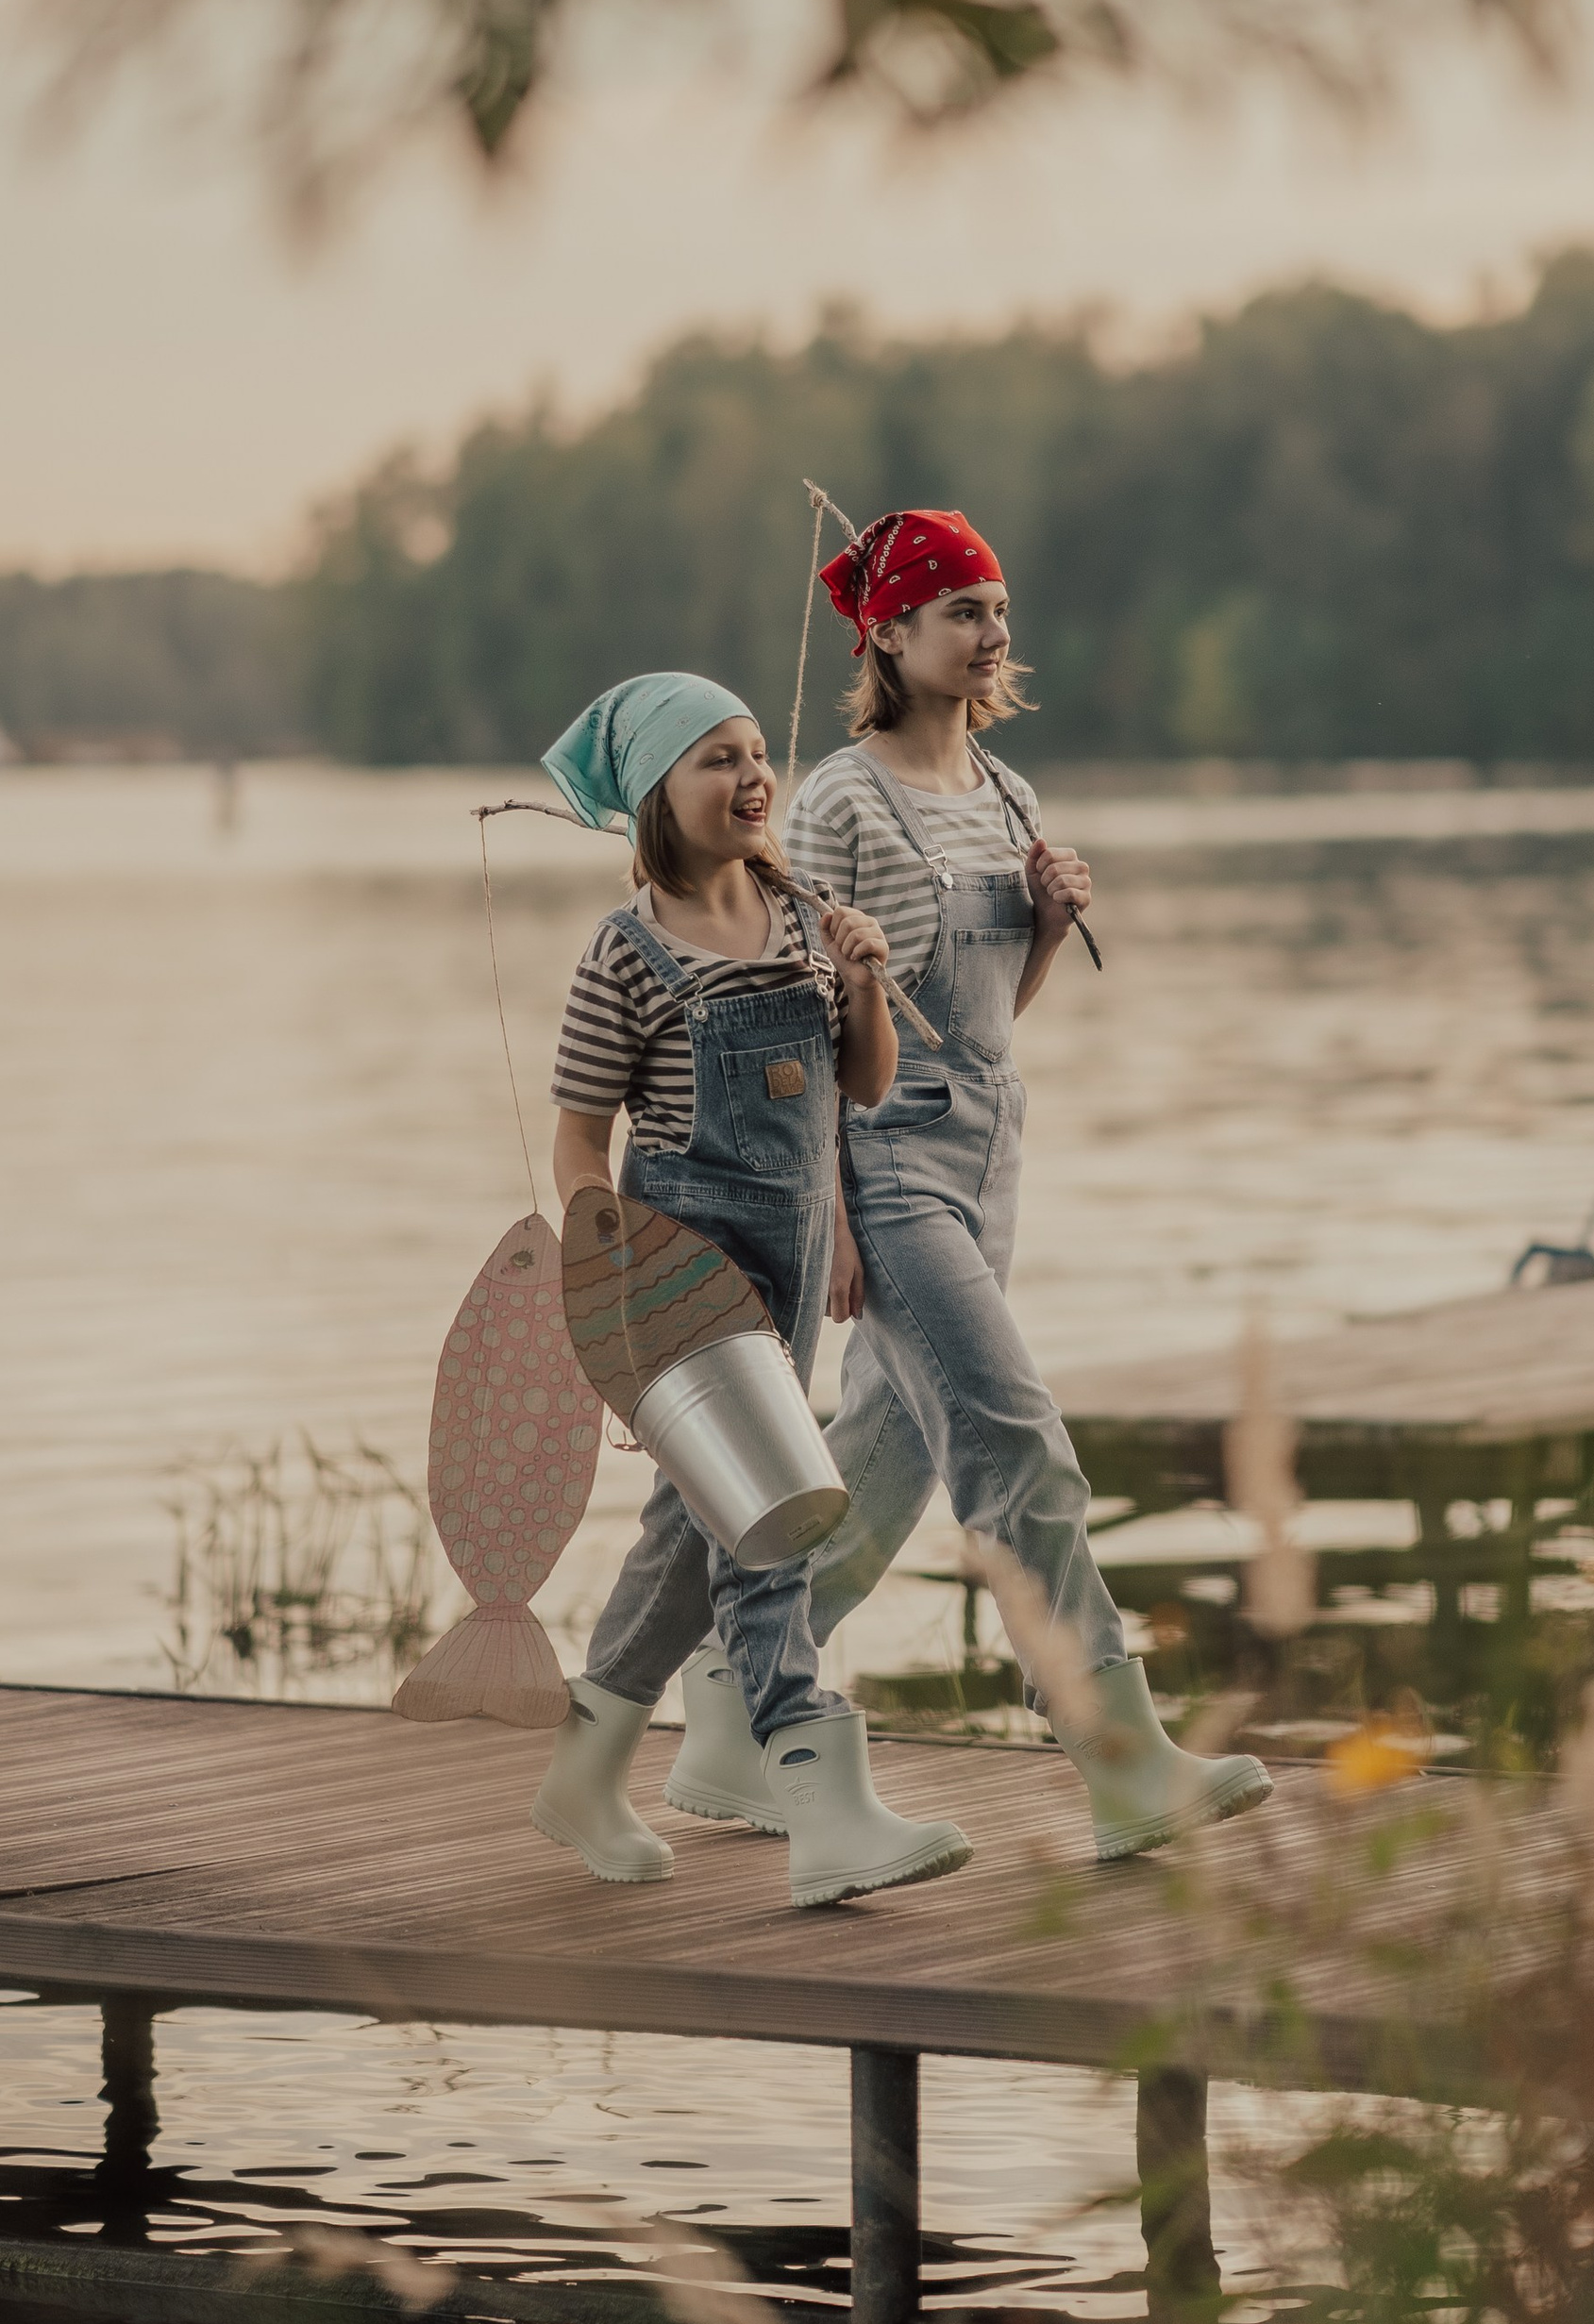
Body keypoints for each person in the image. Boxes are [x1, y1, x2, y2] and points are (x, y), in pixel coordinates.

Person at [663, 513, 1273, 1862]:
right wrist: (820, 1204)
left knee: (885, 1466)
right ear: (887, 633)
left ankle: (724, 1697)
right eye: (962, 611)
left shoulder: (1008, 792)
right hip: (881, 1155)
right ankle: (1120, 1759)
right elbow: (792, 1014)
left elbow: (995, 1013)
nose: (992, 633)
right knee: (1013, 1439)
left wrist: (1048, 924)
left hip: (991, 1146)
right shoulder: (835, 800)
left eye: (999, 608)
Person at [530, 670, 973, 1910]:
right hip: (683, 1270)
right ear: (658, 798)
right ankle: (821, 1788)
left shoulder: (799, 915)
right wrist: (609, 1254)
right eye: (713, 759)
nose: (748, 775)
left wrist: (869, 979)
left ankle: (586, 1766)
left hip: (790, 1249)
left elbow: (866, 1084)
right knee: (777, 1509)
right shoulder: (623, 956)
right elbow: (577, 1141)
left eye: (749, 751)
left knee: (700, 1524)